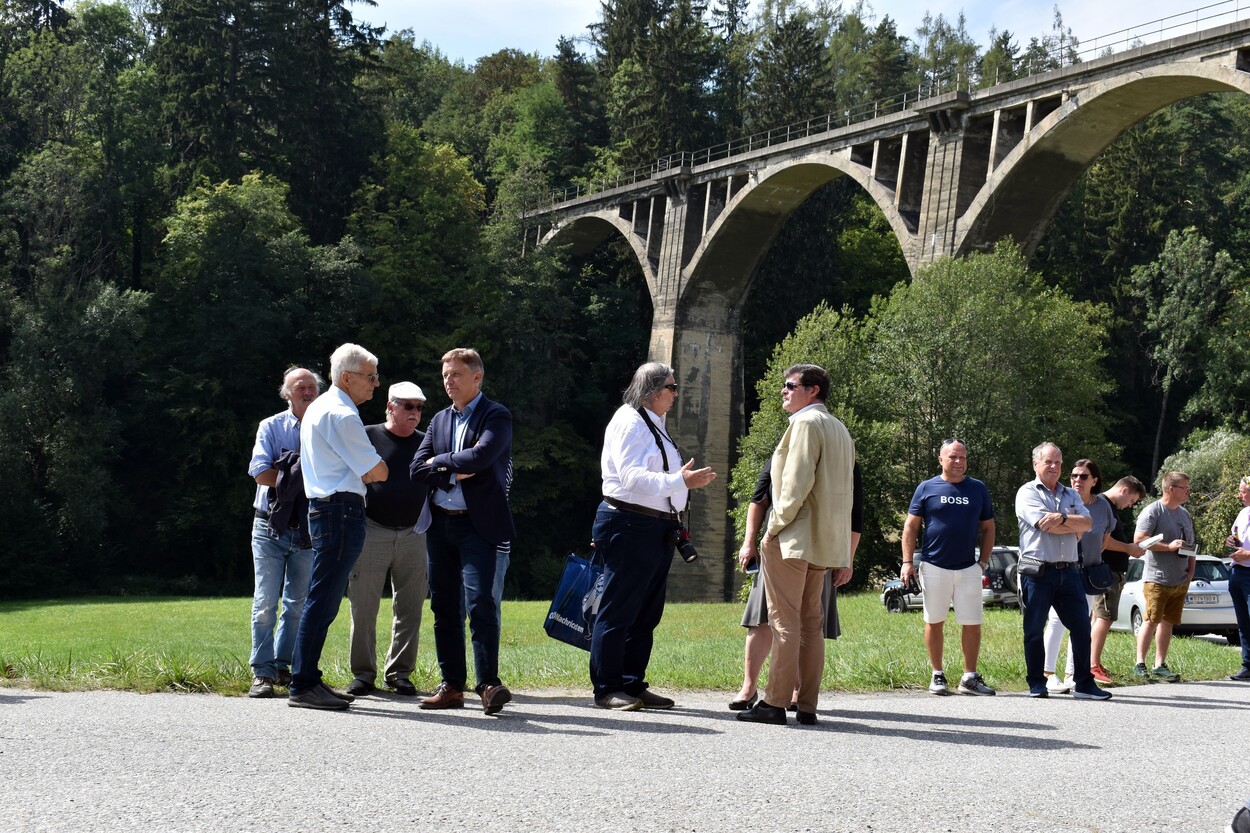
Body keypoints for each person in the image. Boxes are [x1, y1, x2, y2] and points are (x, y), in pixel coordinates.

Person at [590, 362, 716, 711]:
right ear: (654, 391)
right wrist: (680, 482)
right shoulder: (629, 422)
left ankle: (632, 683)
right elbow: (631, 478)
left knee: (646, 613)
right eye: (673, 388)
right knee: (618, 610)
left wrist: (679, 487)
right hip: (630, 523)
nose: (677, 394)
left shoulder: (653, 424)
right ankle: (607, 688)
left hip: (655, 526)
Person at [738, 364, 854, 726]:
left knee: (784, 621)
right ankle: (806, 705)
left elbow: (794, 484)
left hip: (793, 538)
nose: (783, 391)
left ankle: (773, 703)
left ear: (813, 390)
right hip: (823, 540)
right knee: (810, 624)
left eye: (790, 386)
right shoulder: (840, 429)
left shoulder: (804, 425)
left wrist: (773, 527)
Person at [410, 348, 515, 715]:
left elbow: (482, 457)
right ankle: (451, 685)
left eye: (455, 374)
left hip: (478, 527)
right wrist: (452, 468)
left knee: (480, 604)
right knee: (444, 607)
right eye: (444, 375)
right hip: (439, 524)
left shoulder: (496, 415)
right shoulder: (439, 419)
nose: (448, 381)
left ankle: (488, 684)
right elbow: (415, 469)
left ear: (476, 378)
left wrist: (437, 463)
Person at [288, 344, 388, 711]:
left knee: (324, 596)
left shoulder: (319, 408)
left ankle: (308, 678)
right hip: (340, 510)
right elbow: (377, 471)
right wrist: (381, 466)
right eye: (371, 376)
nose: (376, 384)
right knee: (324, 598)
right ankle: (303, 684)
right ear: (347, 377)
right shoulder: (343, 415)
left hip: (326, 509)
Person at [732, 457, 862, 710]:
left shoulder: (845, 460)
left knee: (808, 621)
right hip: (778, 545)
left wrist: (848, 559)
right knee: (761, 617)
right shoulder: (782, 453)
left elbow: (855, 514)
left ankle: (796, 692)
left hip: (819, 547)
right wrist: (749, 541)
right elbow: (759, 499)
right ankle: (749, 687)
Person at [345, 382, 430, 697]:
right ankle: (363, 675)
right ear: (390, 406)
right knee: (363, 606)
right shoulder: (367, 435)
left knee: (410, 608)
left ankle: (399, 674)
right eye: (408, 406)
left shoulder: (426, 442)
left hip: (414, 533)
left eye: (419, 407)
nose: (415, 413)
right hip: (371, 530)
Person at [246, 366, 321, 699]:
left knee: (298, 603)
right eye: (300, 386)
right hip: (269, 526)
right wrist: (303, 478)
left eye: (311, 386)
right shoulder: (271, 426)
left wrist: (291, 472)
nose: (307, 391)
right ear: (287, 393)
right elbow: (260, 472)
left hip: (309, 526)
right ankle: (261, 673)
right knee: (265, 602)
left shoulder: (327, 427)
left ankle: (281, 666)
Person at [900, 439, 997, 697]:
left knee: (973, 622)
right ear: (940, 459)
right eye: (953, 457)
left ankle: (969, 678)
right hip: (934, 566)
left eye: (962, 457)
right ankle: (937, 675)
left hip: (968, 568)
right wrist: (908, 562)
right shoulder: (926, 488)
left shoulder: (978, 489)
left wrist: (983, 563)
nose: (958, 462)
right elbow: (911, 526)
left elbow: (988, 527)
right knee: (934, 620)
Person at [1014, 442, 1110, 700]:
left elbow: (1088, 523)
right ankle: (1036, 682)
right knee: (1034, 629)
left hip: (1069, 572)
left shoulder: (1070, 494)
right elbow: (1044, 526)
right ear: (1036, 464)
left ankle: (1084, 684)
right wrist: (1068, 523)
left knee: (1081, 628)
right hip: (1038, 573)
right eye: (1048, 462)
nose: (1054, 467)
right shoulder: (1027, 493)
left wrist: (1063, 519)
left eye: (1058, 462)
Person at [1041, 460, 1142, 692]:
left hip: (1089, 572)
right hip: (1062, 567)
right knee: (1056, 621)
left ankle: (1072, 674)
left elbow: (1105, 539)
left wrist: (1093, 555)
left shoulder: (1103, 506)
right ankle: (1047, 673)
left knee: (1081, 623)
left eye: (1084, 476)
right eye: (1074, 475)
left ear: (1095, 480)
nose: (1077, 480)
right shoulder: (1062, 499)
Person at [1132, 470, 1196, 682]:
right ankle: (1139, 664)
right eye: (1184, 488)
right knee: (1151, 620)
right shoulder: (1153, 511)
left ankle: (1160, 664)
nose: (1188, 492)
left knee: (1168, 622)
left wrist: (1191, 570)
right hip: (1157, 578)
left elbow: (1190, 545)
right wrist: (1168, 547)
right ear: (1171, 489)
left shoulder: (1184, 514)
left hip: (1180, 578)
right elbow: (1140, 540)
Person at [1089, 475, 1147, 683]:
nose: (1129, 506)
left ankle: (1093, 662)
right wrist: (1128, 548)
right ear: (1124, 491)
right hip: (1106, 571)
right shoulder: (1103, 505)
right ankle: (1092, 666)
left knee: (1100, 617)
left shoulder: (1106, 506)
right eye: (1131, 501)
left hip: (1111, 571)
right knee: (1105, 617)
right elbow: (1102, 540)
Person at [1225, 476, 1250, 682]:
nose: (1239, 495)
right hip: (1237, 572)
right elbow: (1236, 536)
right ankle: (1248, 664)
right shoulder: (1243, 513)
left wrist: (1248, 555)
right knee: (1244, 622)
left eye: (1242, 491)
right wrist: (1231, 540)